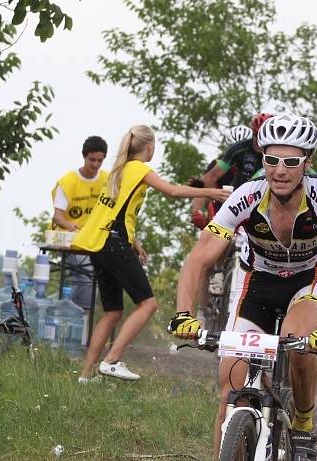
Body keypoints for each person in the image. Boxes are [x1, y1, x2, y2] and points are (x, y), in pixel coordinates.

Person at [169, 113, 317, 461]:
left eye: (291, 162)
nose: (280, 171)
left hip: (307, 281)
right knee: (230, 382)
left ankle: (301, 426)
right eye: (271, 160)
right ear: (262, 160)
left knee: (300, 346)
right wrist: (184, 314)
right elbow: (199, 258)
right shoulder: (246, 196)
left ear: (307, 163)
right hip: (259, 281)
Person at [73, 125, 229, 382]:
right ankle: (111, 361)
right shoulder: (138, 168)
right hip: (112, 243)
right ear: (150, 146)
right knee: (149, 304)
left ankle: (86, 374)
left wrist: (133, 241)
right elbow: (172, 191)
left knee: (112, 311)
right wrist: (210, 191)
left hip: (99, 243)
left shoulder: (120, 169)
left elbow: (117, 210)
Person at [51, 135, 108, 310]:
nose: (96, 165)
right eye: (92, 160)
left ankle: (64, 310)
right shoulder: (69, 181)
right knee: (85, 277)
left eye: (100, 160)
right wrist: (71, 226)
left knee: (99, 280)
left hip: (96, 240)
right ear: (84, 156)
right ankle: (76, 314)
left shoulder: (108, 179)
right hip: (71, 242)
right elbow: (57, 216)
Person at [190, 113, 274, 229]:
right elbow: (207, 182)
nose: (261, 144)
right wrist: (197, 212)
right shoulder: (231, 154)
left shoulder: (280, 151)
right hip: (237, 201)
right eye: (258, 138)